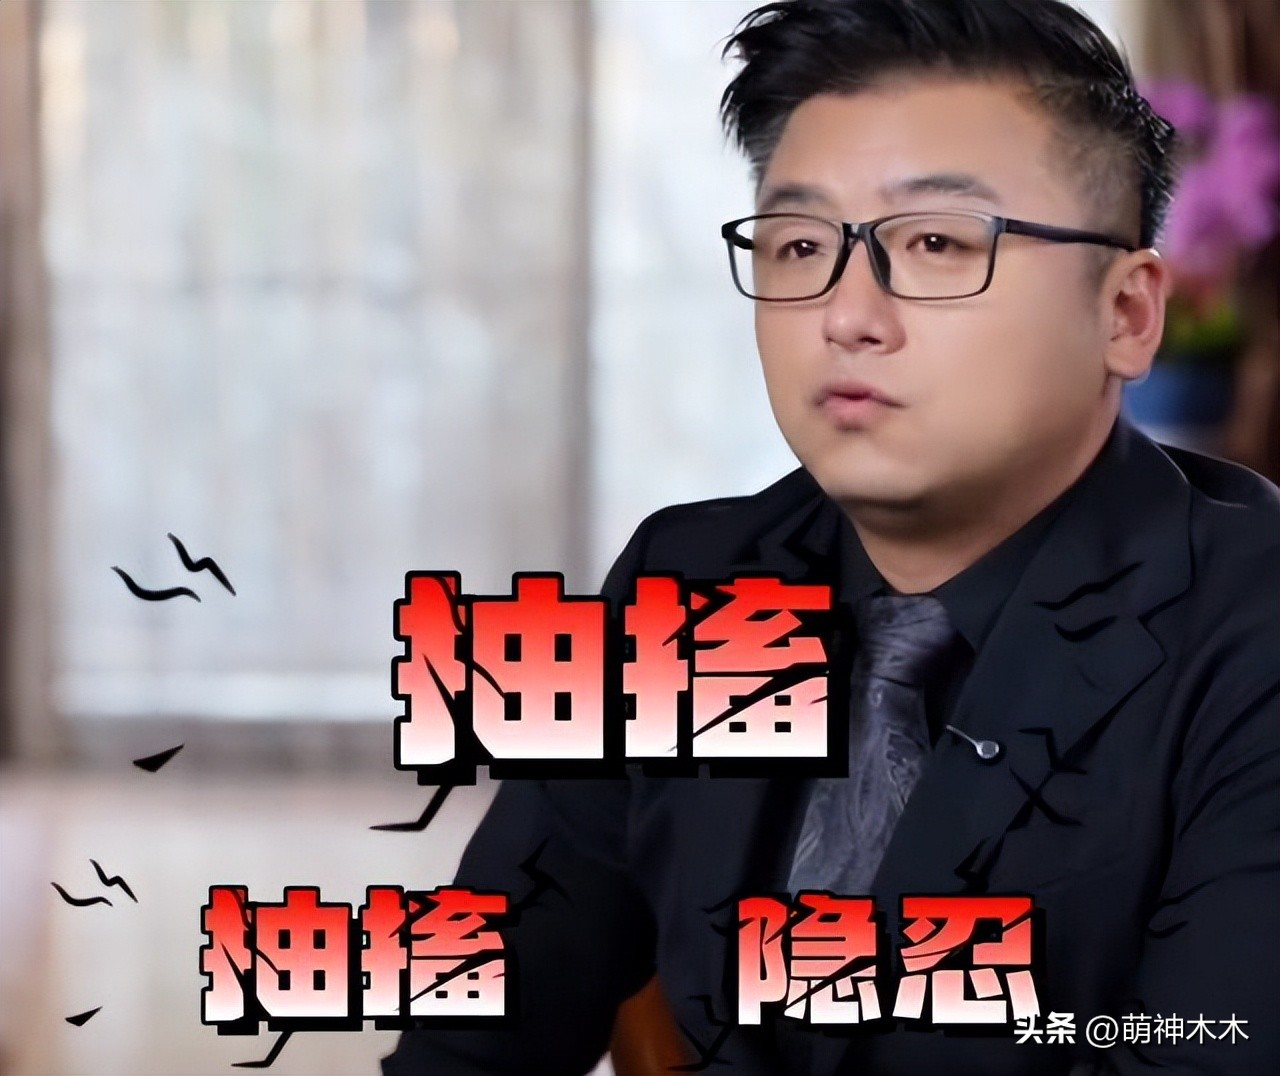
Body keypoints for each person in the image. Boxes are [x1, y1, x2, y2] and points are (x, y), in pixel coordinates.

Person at [383, 1, 1280, 1073]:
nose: (846, 315)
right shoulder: (686, 580)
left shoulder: (1249, 633)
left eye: (937, 243)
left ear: (1126, 314)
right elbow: (477, 1024)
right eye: (800, 244)